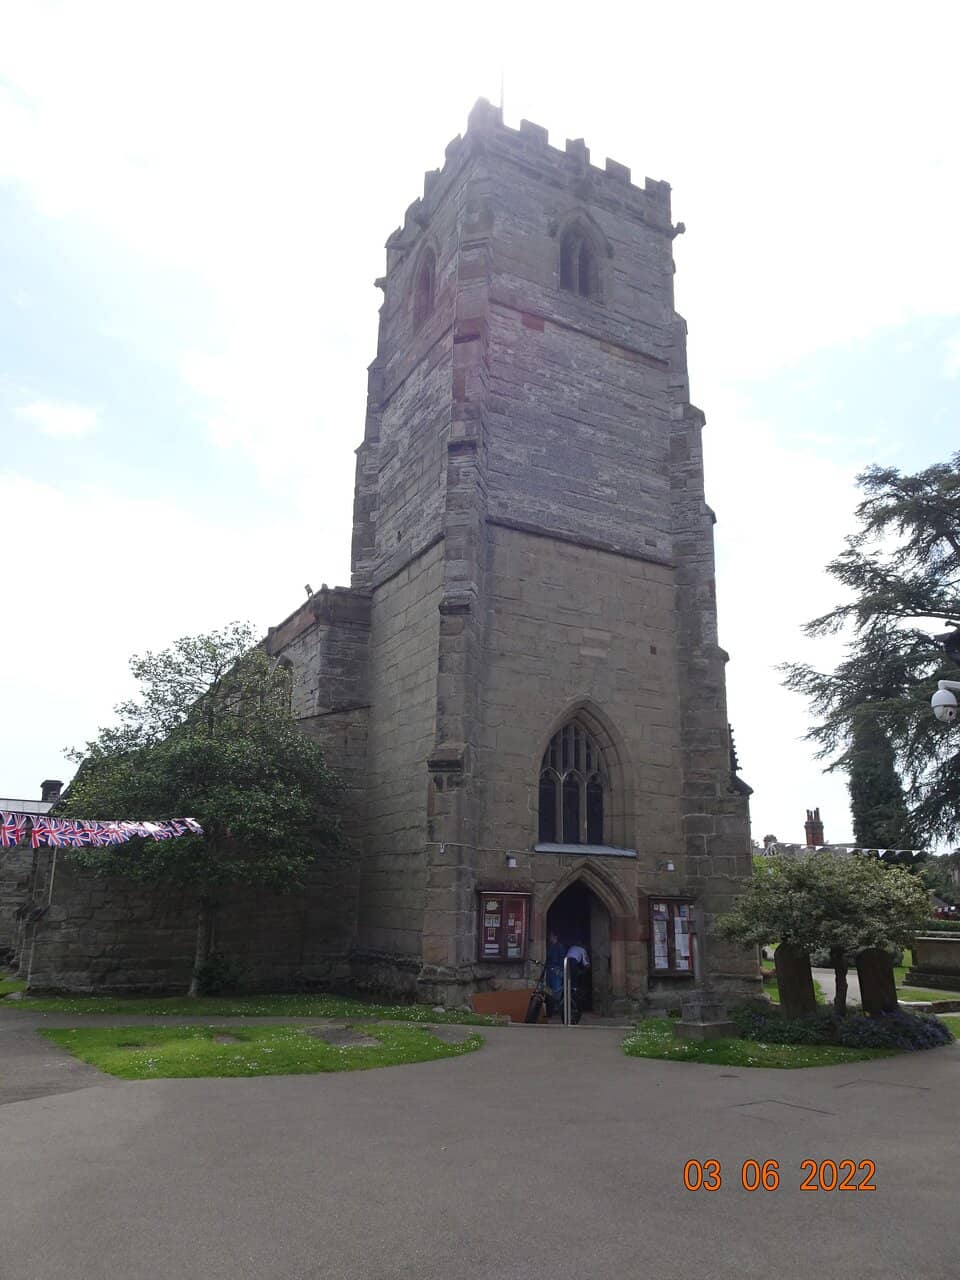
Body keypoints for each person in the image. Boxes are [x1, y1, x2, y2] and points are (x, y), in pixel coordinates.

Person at [545, 930, 565, 1019]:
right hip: (549, 969)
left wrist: (559, 969)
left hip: (556, 970)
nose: (549, 938)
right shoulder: (550, 946)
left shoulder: (560, 947)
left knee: (557, 990)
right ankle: (550, 1010)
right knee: (548, 990)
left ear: (555, 937)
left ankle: (558, 1009)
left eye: (551, 936)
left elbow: (562, 958)